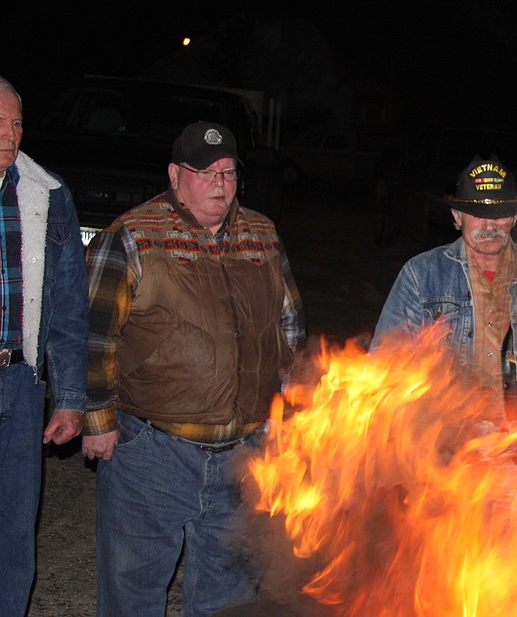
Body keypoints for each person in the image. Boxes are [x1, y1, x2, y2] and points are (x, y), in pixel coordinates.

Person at [80, 121, 305, 617]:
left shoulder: (263, 234)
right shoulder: (133, 235)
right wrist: (97, 421)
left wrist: (285, 413)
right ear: (175, 175)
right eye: (204, 173)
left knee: (228, 596)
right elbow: (96, 336)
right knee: (133, 587)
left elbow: (289, 328)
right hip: (153, 452)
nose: (219, 185)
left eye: (227, 172)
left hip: (243, 455)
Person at [373, 155, 517, 425]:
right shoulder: (422, 275)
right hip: (445, 448)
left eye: (499, 215)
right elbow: (385, 364)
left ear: (514, 217)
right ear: (457, 216)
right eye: (478, 214)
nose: (489, 226)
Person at [0, 76, 89, 617]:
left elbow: (68, 307)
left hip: (19, 383)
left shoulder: (46, 194)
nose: (9, 136)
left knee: (13, 532)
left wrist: (71, 397)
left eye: (16, 124)